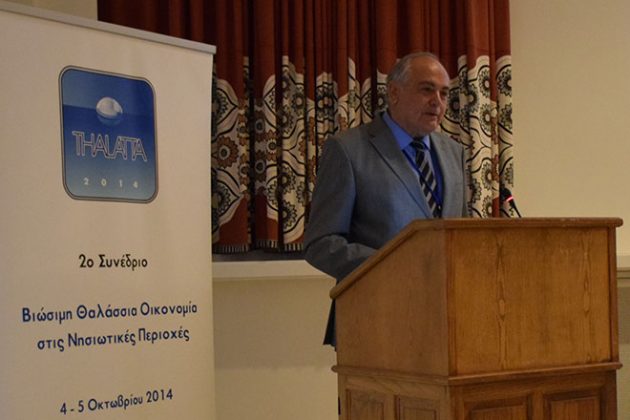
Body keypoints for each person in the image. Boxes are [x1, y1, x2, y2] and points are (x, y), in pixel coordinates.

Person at [303, 52, 469, 346]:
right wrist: (394, 265)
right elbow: (321, 244)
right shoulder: (348, 150)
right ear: (394, 92)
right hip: (374, 322)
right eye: (427, 89)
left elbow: (461, 235)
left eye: (444, 93)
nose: (438, 102)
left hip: (445, 324)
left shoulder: (453, 152)